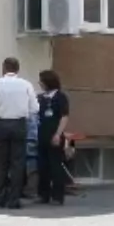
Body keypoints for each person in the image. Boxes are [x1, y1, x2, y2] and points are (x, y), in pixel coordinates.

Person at [0, 56, 38, 210]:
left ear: (4, 68)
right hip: (19, 124)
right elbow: (35, 108)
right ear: (18, 69)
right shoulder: (26, 85)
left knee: (0, 162)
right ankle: (14, 199)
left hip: (1, 124)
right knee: (17, 163)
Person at [36, 69, 70, 206]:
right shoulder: (40, 98)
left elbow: (64, 116)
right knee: (42, 166)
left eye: (41, 81)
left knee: (55, 165)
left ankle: (58, 195)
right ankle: (43, 194)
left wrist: (58, 134)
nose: (39, 83)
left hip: (54, 134)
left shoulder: (60, 97)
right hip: (42, 134)